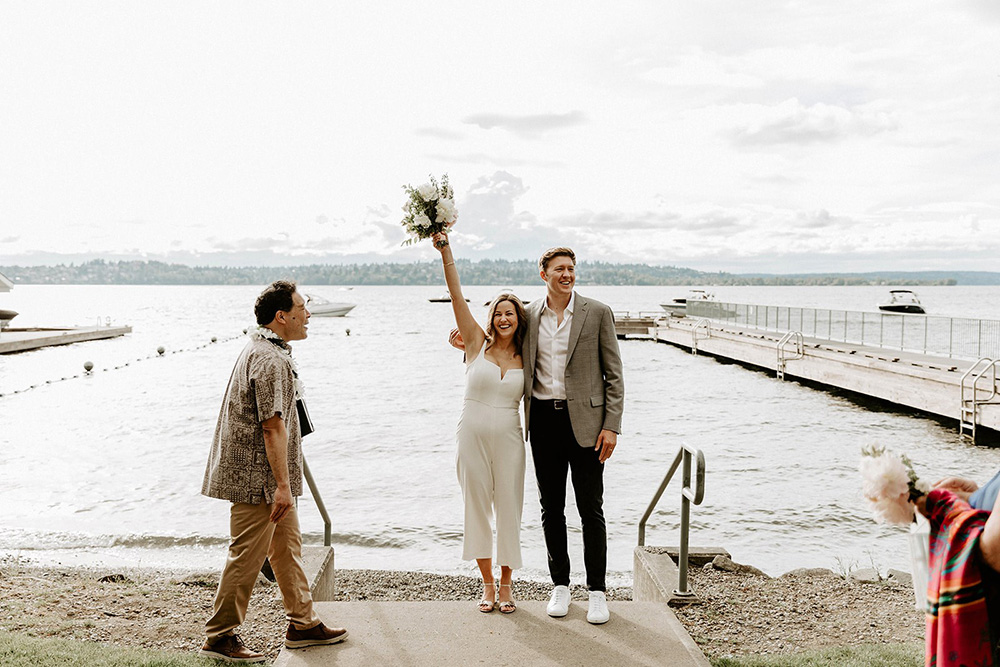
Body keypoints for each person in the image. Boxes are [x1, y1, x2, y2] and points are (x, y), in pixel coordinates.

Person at [451, 246, 625, 624]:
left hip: (588, 426)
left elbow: (614, 374)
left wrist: (612, 425)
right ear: (543, 274)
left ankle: (597, 590)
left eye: (571, 268)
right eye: (559, 269)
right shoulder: (527, 315)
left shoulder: (597, 312)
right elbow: (499, 344)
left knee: (591, 509)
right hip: (542, 421)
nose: (567, 274)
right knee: (552, 509)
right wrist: (465, 342)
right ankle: (560, 585)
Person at [200, 280, 347, 663]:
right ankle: (219, 637)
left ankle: (302, 623)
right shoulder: (271, 360)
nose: (309, 314)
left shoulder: (264, 349)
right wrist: (283, 485)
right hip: (259, 481)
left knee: (286, 550)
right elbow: (272, 425)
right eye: (302, 308)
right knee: (246, 555)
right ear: (282, 316)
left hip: (265, 478)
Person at [434, 232, 527, 614]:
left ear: (519, 319)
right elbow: (457, 296)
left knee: (510, 508)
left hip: (510, 437)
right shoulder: (475, 343)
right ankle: (487, 584)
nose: (504, 318)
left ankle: (507, 586)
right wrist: (445, 250)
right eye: (499, 313)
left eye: (511, 313)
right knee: (475, 506)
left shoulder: (529, 355)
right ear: (491, 318)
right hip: (470, 432)